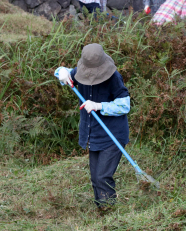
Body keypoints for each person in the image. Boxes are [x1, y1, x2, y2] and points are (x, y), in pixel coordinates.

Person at [54, 44, 130, 209]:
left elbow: (125, 105)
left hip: (112, 135)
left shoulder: (113, 77)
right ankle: (101, 210)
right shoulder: (80, 73)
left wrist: (99, 106)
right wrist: (61, 72)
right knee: (95, 177)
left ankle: (109, 211)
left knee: (103, 176)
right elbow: (65, 74)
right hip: (93, 134)